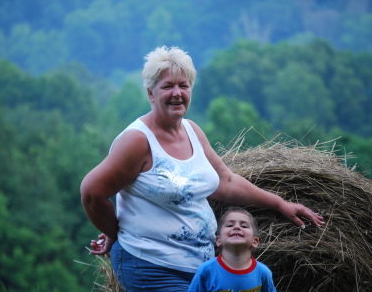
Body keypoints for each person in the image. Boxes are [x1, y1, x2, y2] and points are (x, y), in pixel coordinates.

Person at [80, 46, 324, 292]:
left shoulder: (192, 131)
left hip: (201, 268)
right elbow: (91, 192)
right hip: (152, 267)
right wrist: (116, 231)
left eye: (183, 86)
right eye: (167, 86)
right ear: (151, 94)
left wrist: (280, 204)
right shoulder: (138, 141)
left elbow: (226, 182)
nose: (177, 93)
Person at [188, 206, 276, 292]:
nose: (237, 227)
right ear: (219, 240)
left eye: (244, 226)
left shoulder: (263, 272)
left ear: (255, 241)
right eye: (229, 225)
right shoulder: (206, 270)